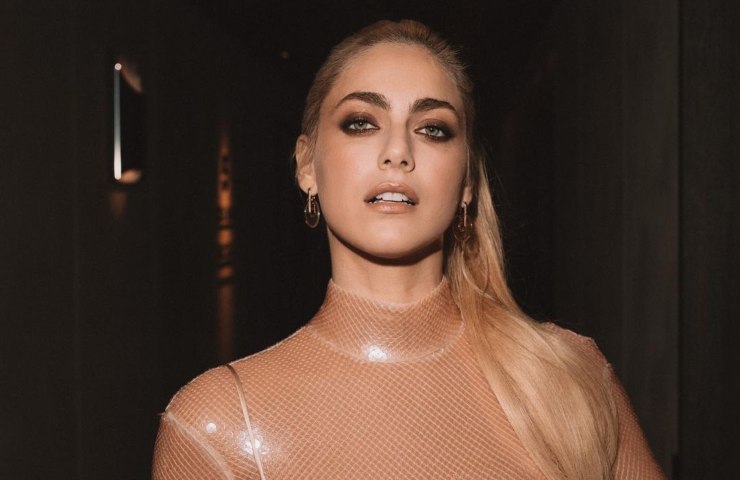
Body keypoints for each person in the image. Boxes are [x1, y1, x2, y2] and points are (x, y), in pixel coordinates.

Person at [152, 19, 665, 480]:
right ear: (307, 166)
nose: (398, 152)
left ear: (466, 182)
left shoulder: (573, 376)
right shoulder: (220, 426)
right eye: (361, 122)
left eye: (432, 129)